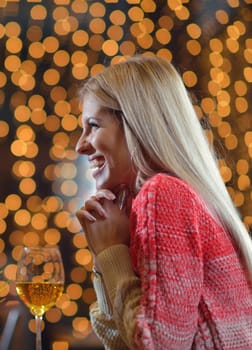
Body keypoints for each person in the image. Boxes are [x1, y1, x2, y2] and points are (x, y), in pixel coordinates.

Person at [75, 55, 252, 349]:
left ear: (135, 123)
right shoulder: (174, 197)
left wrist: (111, 252)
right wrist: (106, 258)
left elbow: (158, 345)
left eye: (93, 125)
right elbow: (122, 342)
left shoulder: (164, 195)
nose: (80, 145)